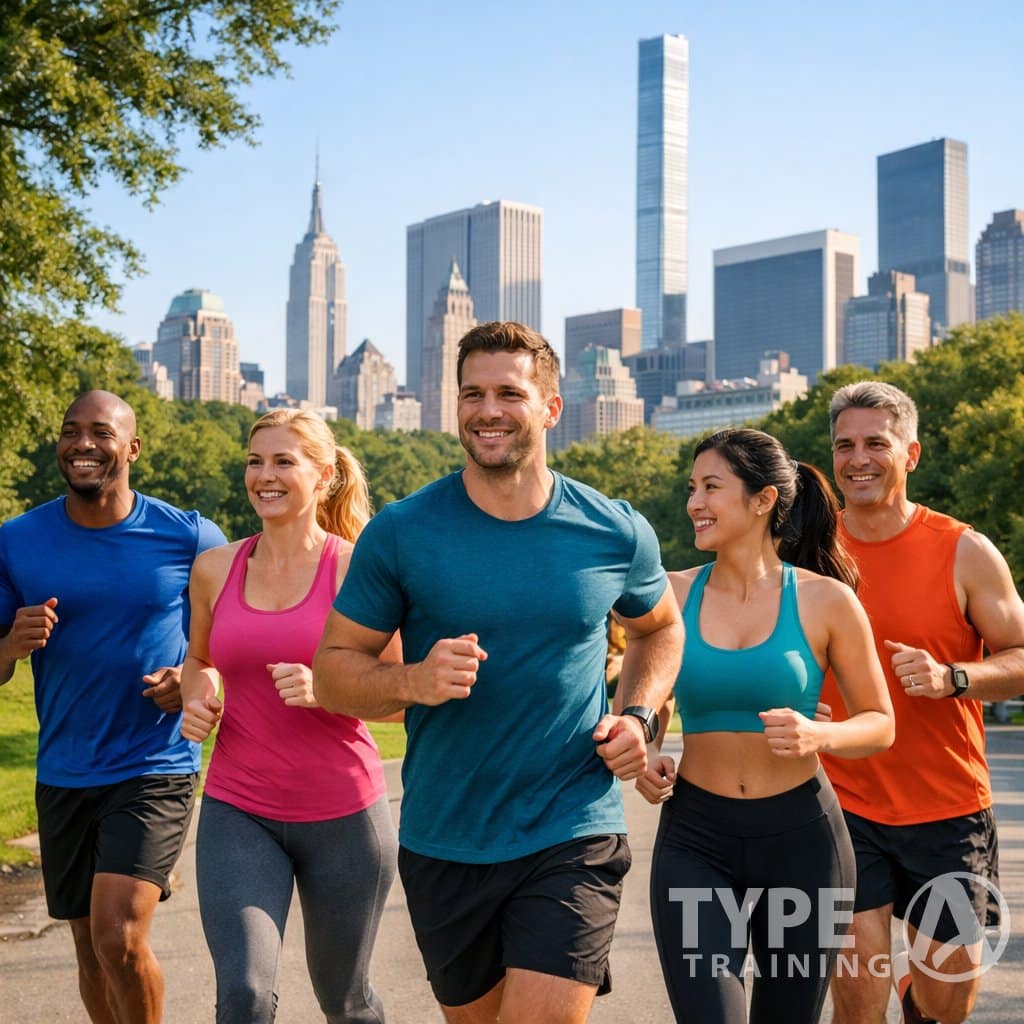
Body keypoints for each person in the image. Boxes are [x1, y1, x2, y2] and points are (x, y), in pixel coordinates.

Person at [312, 321, 684, 1024]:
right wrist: (410, 681)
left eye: (509, 393)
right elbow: (333, 674)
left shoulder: (613, 529)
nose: (487, 410)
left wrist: (637, 714)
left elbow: (660, 627)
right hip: (445, 838)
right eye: (471, 393)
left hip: (573, 826)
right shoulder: (402, 532)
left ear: (549, 408)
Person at [638, 428, 895, 1024]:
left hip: (803, 842)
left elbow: (880, 724)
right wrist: (647, 745)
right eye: (691, 488)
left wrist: (819, 735)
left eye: (711, 487)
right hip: (696, 838)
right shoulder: (671, 595)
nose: (694, 503)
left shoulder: (827, 600)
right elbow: (651, 694)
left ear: (763, 500)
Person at [0, 390, 226, 1024]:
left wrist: (192, 677)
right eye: (71, 431)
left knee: (118, 938)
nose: (83, 444)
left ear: (131, 449)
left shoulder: (189, 535)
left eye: (101, 432)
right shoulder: (17, 540)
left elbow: (234, 638)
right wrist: (10, 643)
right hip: (64, 769)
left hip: (155, 762)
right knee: (89, 949)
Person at [179, 409, 398, 1024]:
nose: (264, 476)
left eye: (283, 461)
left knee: (346, 1000)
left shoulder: (358, 570)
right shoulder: (215, 568)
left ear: (324, 476)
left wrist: (332, 688)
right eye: (255, 461)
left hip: (346, 818)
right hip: (237, 809)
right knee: (244, 995)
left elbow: (405, 692)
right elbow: (199, 657)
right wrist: (200, 695)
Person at [821, 381, 1024, 1024]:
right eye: (845, 444)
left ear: (910, 453)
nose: (858, 459)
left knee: (945, 998)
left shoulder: (963, 549)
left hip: (947, 808)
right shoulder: (808, 553)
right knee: (856, 993)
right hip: (839, 802)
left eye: (876, 443)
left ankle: (920, 1001)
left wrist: (953, 678)